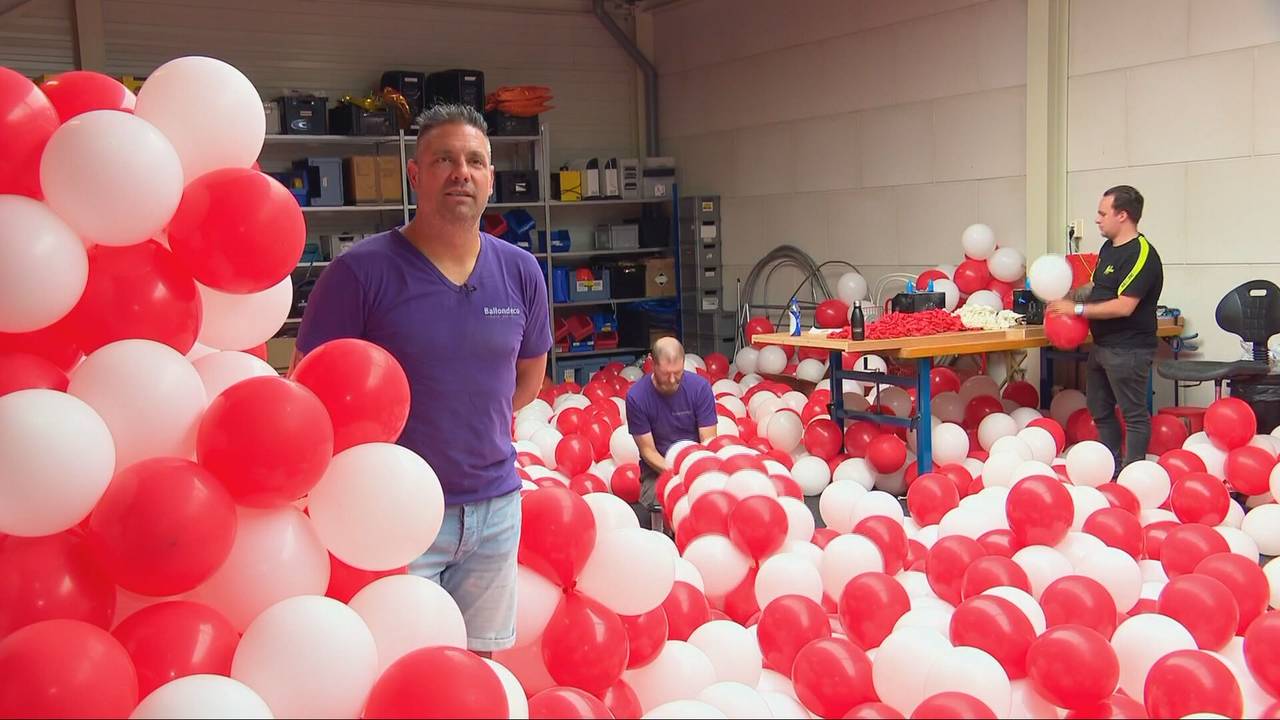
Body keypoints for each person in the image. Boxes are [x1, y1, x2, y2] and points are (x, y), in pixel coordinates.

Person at [296, 103, 551, 655]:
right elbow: (310, 390)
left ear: (490, 179)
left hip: (496, 506)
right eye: (445, 159)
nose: (462, 172)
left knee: (477, 670)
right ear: (416, 174)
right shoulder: (361, 273)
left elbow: (530, 372)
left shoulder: (521, 271)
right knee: (401, 673)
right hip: (394, 510)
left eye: (476, 161)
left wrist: (469, 424)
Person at [1049, 184, 1164, 471]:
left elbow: (1125, 305)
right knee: (1099, 410)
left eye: (1102, 213)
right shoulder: (1108, 247)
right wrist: (1072, 295)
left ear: (1122, 215)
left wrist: (1075, 309)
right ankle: (1110, 468)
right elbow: (1100, 288)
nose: (1097, 219)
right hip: (1101, 345)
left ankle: (1134, 473)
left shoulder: (1142, 255)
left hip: (1129, 348)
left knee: (1133, 414)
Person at [625, 337, 718, 528]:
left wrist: (696, 473)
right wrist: (677, 473)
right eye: (666, 374)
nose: (673, 380)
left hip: (696, 466)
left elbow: (708, 441)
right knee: (666, 505)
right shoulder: (637, 397)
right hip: (657, 472)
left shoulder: (700, 388)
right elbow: (648, 451)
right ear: (653, 364)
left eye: (678, 373)